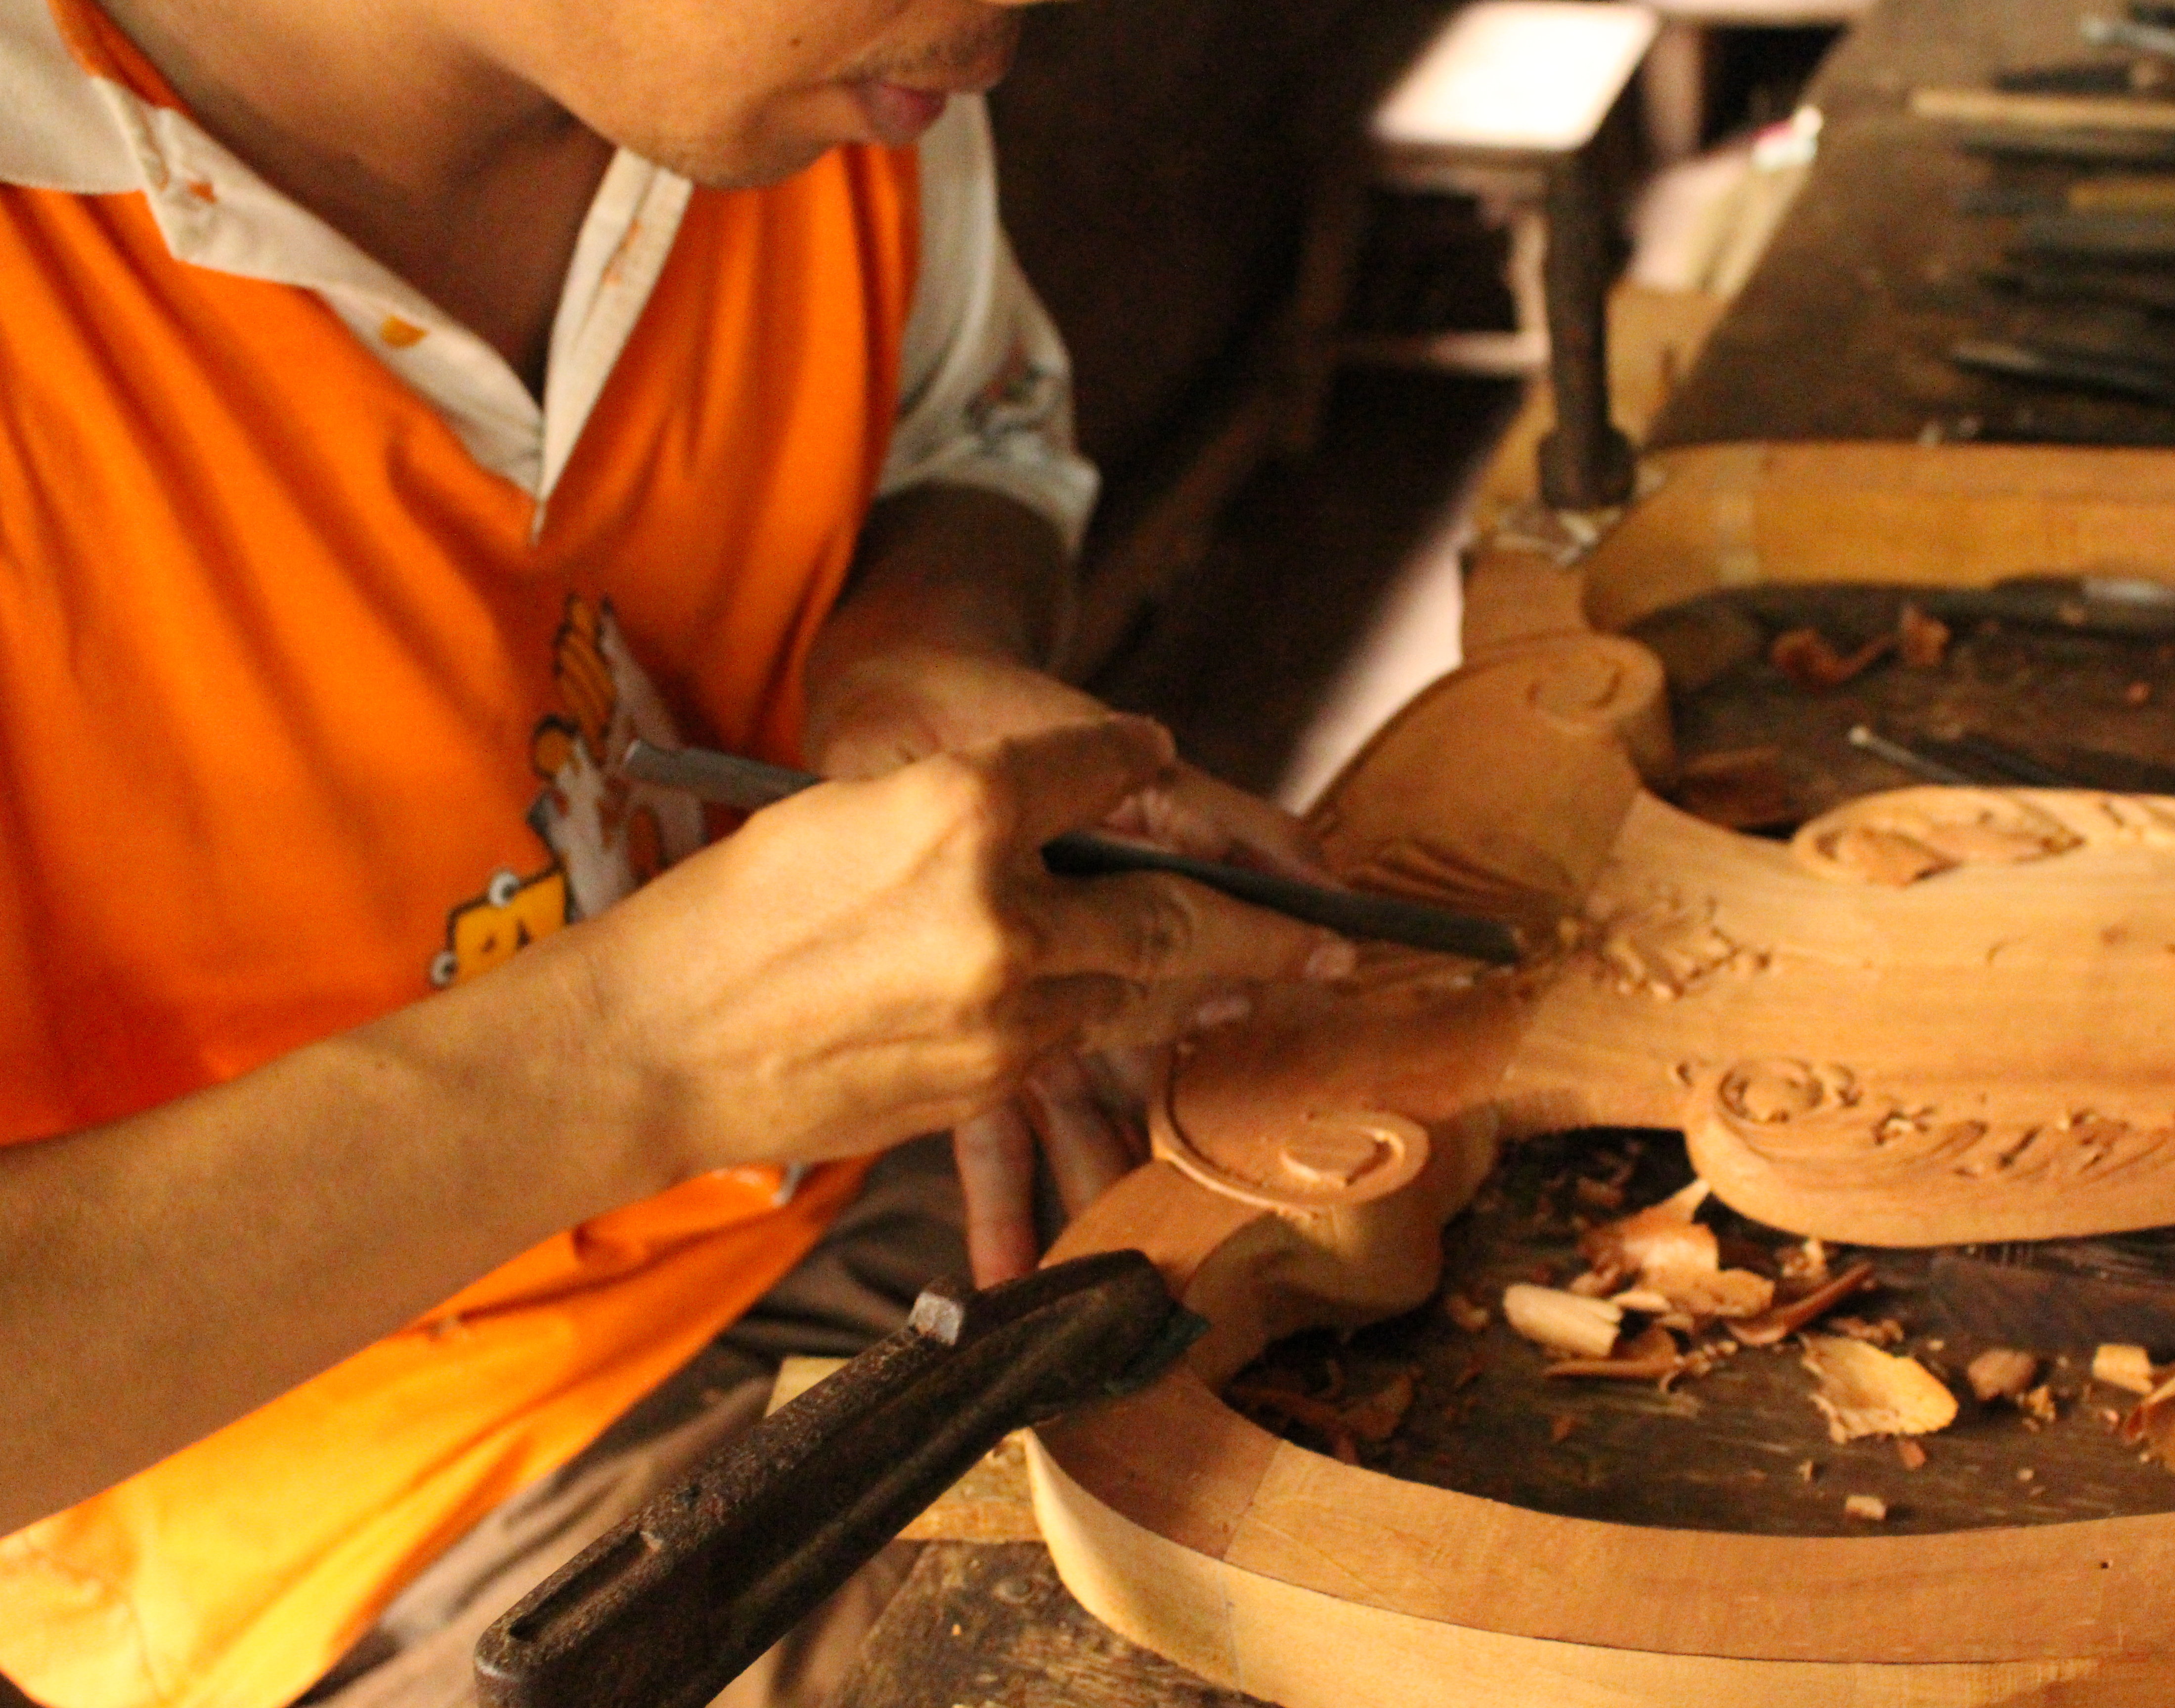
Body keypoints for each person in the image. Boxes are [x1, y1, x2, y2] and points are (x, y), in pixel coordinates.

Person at [0, 0, 1350, 1701]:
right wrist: (640, 1059)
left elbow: (969, 439)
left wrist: (914, 644)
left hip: (894, 1173)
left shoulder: (855, 76)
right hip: (354, 1495)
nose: (1011, 32)